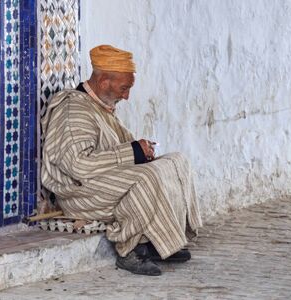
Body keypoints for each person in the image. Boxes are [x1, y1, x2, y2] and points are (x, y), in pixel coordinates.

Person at [41, 45, 202, 276]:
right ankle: (131, 250)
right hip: (79, 193)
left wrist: (140, 152)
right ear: (104, 81)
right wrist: (133, 152)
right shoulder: (74, 109)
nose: (126, 96)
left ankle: (160, 241)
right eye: (124, 88)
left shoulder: (98, 105)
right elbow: (78, 166)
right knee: (146, 177)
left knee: (177, 161)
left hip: (101, 182)